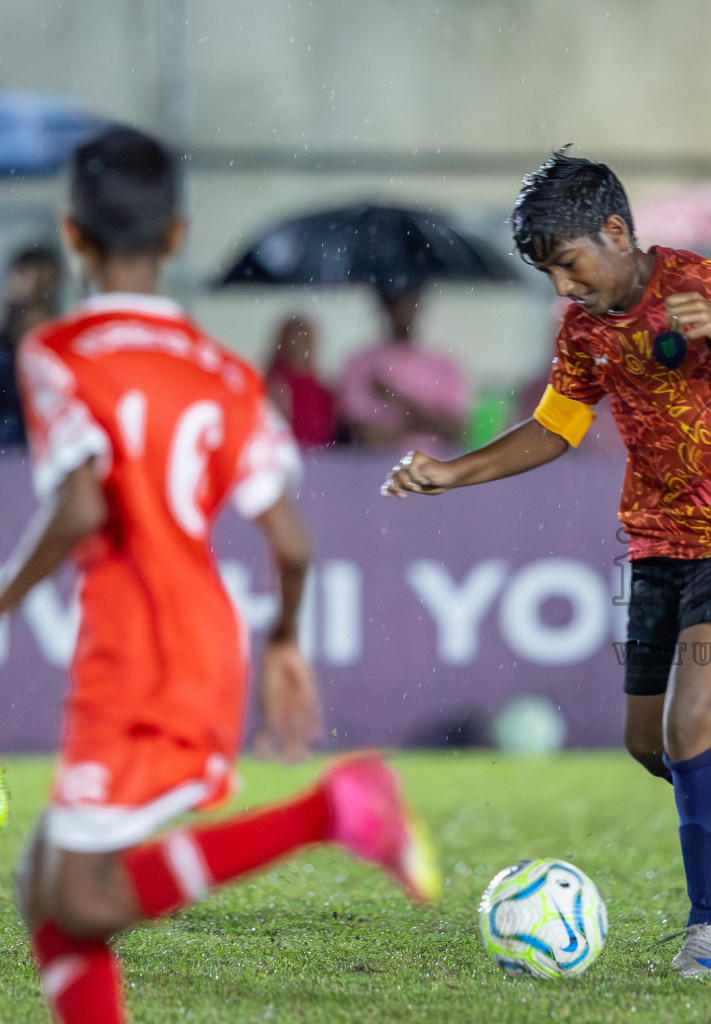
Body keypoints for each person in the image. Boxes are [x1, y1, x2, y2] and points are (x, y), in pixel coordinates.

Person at [3, 126, 440, 1024]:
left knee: (80, 897)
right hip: (203, 635)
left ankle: (333, 810)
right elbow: (290, 541)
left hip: (136, 646)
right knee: (43, 884)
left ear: (73, 235)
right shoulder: (221, 373)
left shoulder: (58, 354)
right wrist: (282, 637)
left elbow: (83, 507)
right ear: (175, 237)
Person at [384, 152, 711, 977]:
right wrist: (450, 472)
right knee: (647, 743)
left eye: (568, 262)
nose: (563, 285)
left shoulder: (703, 287)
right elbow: (554, 427)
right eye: (550, 271)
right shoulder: (584, 330)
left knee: (691, 723)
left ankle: (710, 932)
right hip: (656, 546)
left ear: (618, 231)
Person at [339, 284, 469, 453]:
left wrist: (396, 398)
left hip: (434, 470)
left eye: (410, 300)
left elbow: (456, 430)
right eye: (397, 300)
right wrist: (426, 423)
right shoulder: (360, 363)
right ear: (385, 304)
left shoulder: (445, 365)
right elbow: (364, 434)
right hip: (375, 472)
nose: (403, 309)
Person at [0, 245, 64, 450]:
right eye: (15, 271)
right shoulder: (5, 339)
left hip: (42, 446)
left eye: (24, 271)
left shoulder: (58, 340)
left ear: (46, 278)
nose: (14, 279)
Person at [265, 313, 340, 447]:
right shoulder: (272, 386)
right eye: (294, 340)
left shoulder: (323, 390)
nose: (299, 347)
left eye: (304, 340)